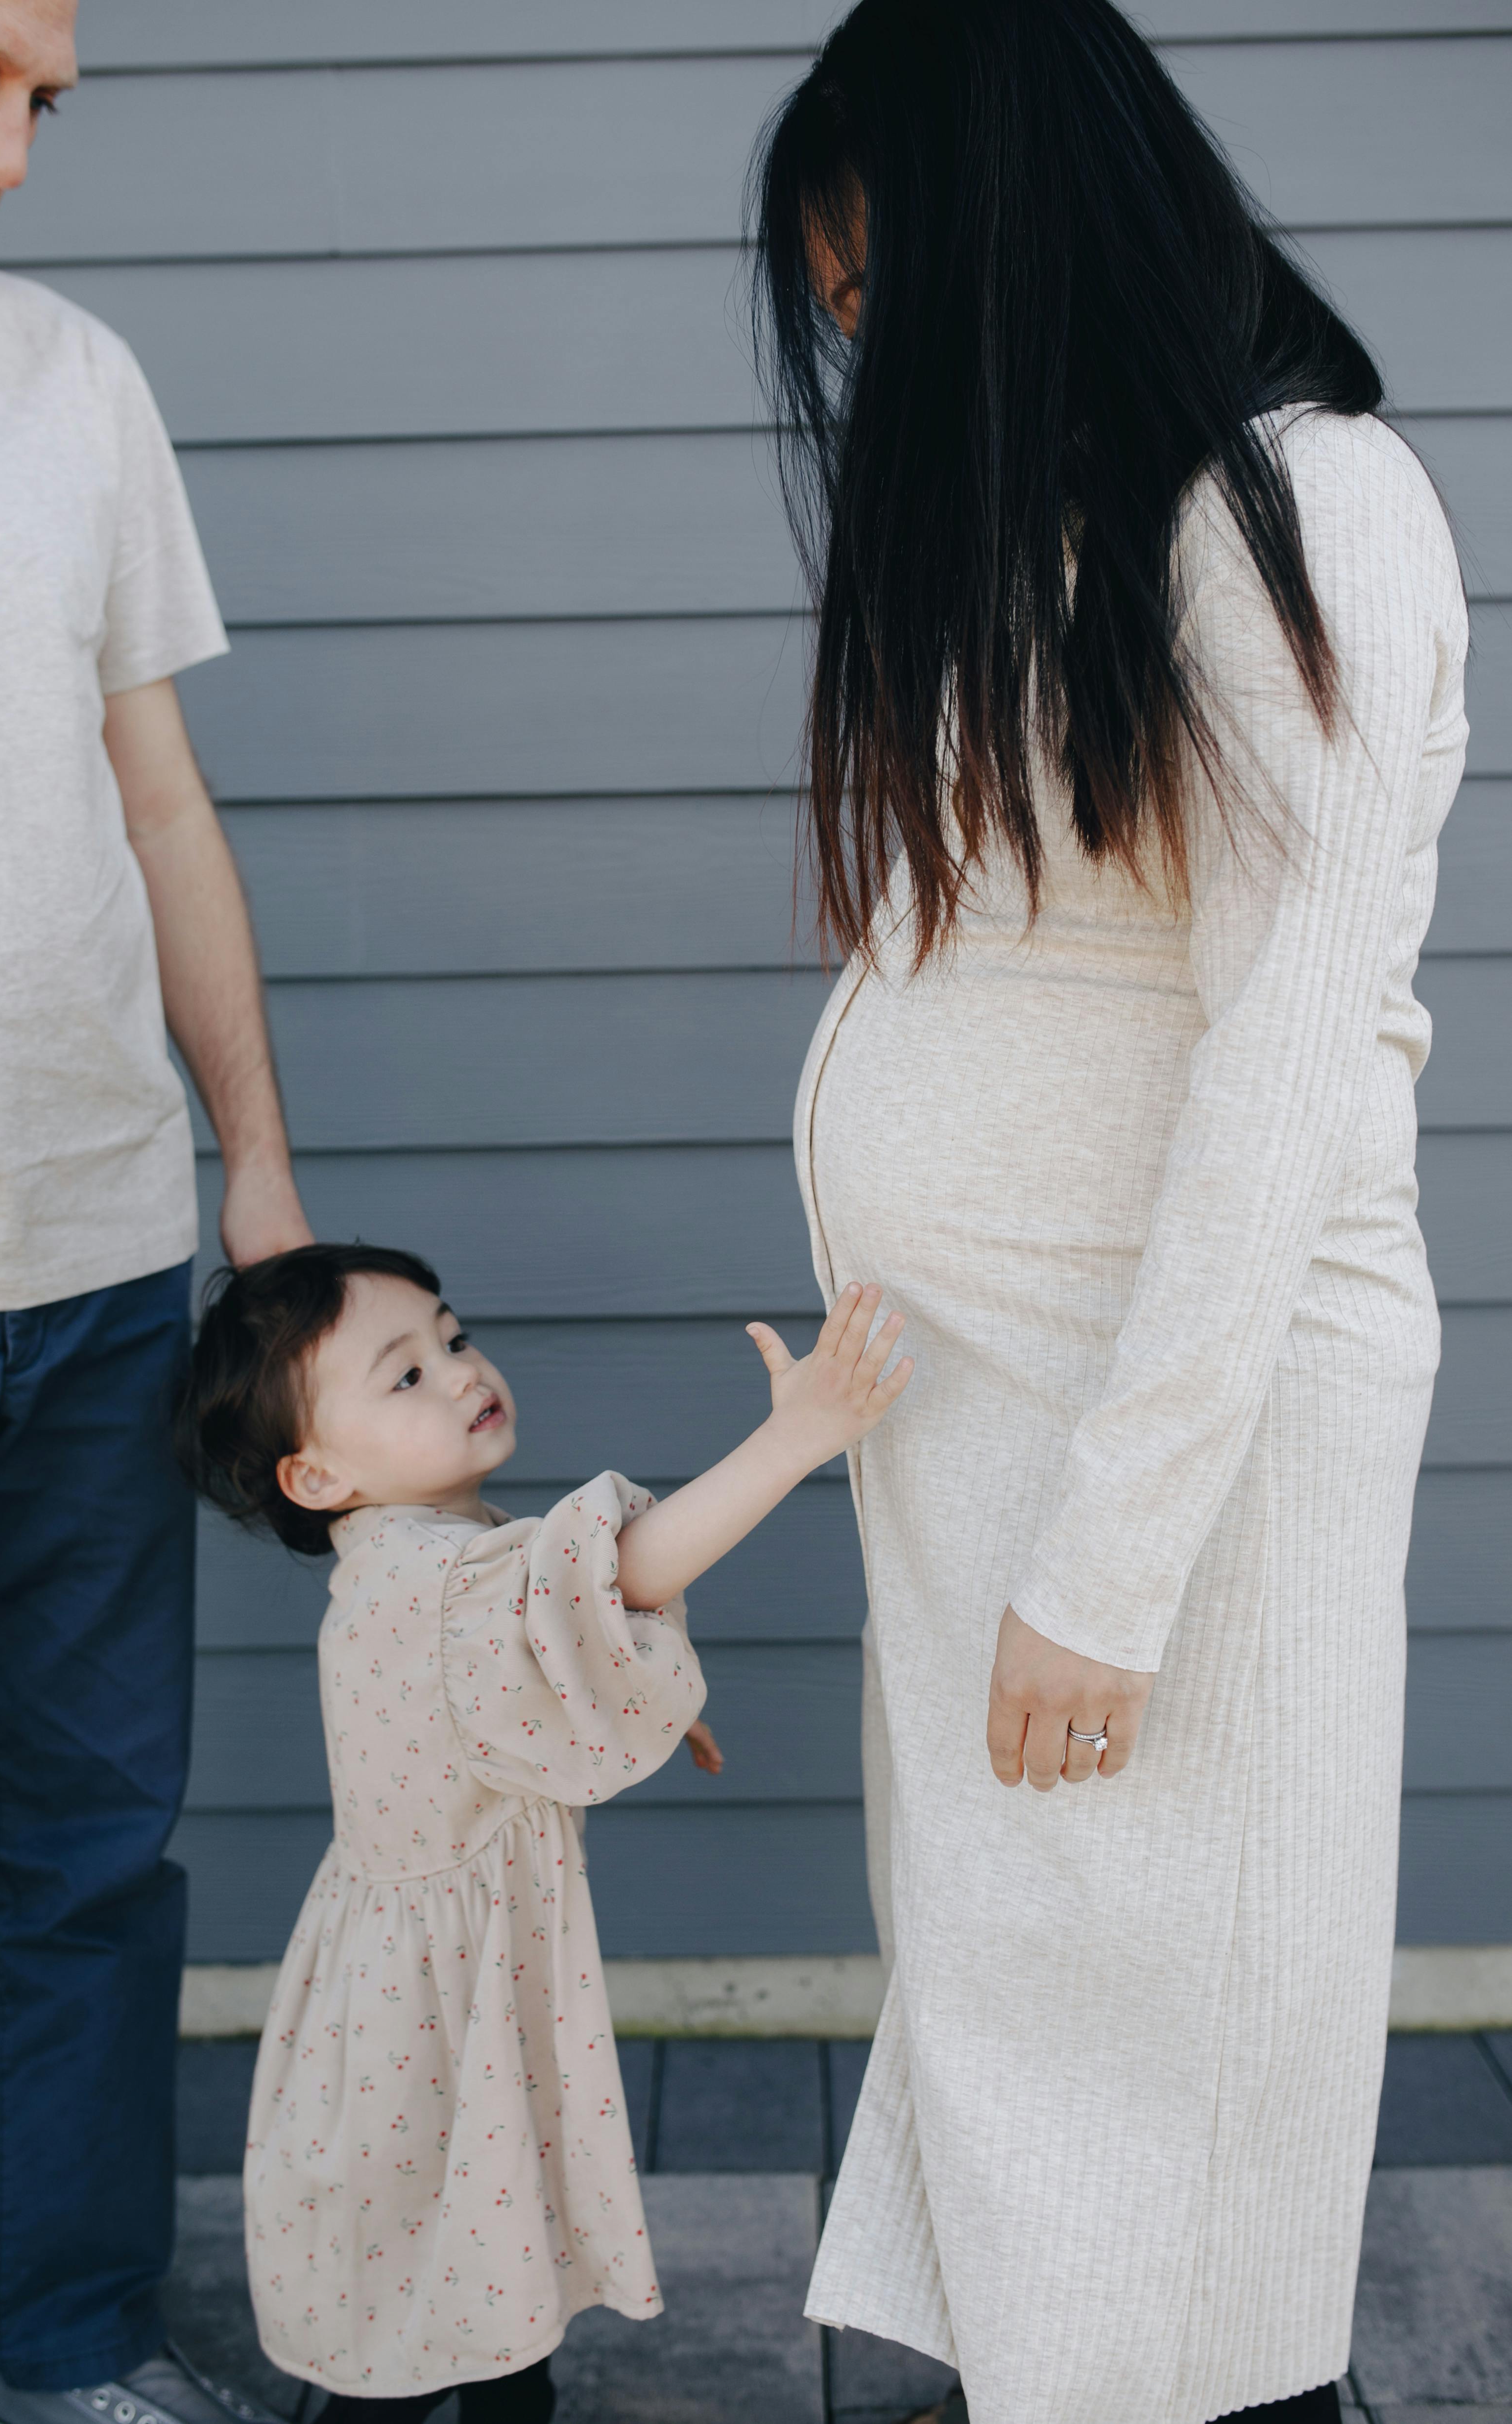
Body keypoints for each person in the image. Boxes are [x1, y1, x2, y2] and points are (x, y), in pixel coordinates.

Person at [748, 4, 1468, 2422]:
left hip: (1166, 1453)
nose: (857, 358)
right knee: (1029, 2026)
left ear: (1005, 241)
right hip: (988, 1421)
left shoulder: (1303, 509)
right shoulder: (1081, 518)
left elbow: (1283, 1070)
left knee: (1175, 2088)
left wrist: (1106, 1555)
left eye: (875, 299)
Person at [0, 5, 312, 2418]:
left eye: (41, 101)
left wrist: (245, 1162)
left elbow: (160, 803)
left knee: (84, 1863)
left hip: (95, 1257)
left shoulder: (73, 379)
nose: (7, 152)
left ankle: (61, 2352)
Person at [175, 1245, 912, 2421]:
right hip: (426, 2017)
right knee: (428, 2292)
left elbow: (550, 1652)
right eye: (403, 1376)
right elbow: (609, 1581)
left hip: (436, 1988)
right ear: (314, 1478)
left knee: (480, 2263)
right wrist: (795, 1439)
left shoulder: (426, 1557)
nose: (460, 1372)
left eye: (452, 1339)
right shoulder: (428, 1580)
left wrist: (644, 1693)